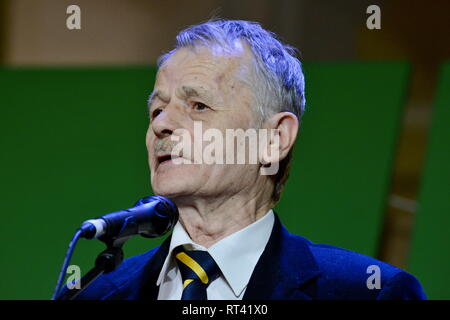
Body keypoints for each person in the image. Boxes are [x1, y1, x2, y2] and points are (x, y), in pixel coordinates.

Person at [73, 19, 426, 300]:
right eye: (157, 109)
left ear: (274, 139)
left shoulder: (369, 293)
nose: (161, 125)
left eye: (198, 106)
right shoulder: (96, 294)